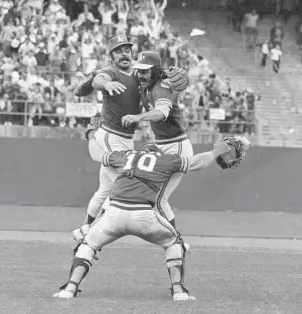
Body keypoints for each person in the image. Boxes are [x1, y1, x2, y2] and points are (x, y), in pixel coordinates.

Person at [52, 130, 232, 301]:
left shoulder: (125, 155)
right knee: (175, 243)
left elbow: (96, 154)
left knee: (88, 244)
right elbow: (198, 162)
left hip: (114, 213)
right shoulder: (165, 159)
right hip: (143, 215)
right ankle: (179, 291)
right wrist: (217, 150)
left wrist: (91, 134)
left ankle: (69, 289)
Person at [80, 37, 189, 228]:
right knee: (120, 188)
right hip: (111, 135)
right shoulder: (111, 72)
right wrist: (104, 84)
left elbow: (163, 92)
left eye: (126, 50)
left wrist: (168, 79)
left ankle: (87, 229)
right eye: (118, 50)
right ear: (111, 56)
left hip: (131, 140)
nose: (123, 53)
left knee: (106, 190)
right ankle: (90, 231)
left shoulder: (141, 78)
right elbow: (100, 79)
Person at [121, 51, 193, 227]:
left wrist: (138, 117)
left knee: (159, 200)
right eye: (139, 70)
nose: (141, 74)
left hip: (176, 147)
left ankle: (176, 243)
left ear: (155, 70)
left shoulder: (161, 87)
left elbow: (162, 112)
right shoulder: (147, 86)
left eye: (145, 71)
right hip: (163, 146)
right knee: (146, 193)